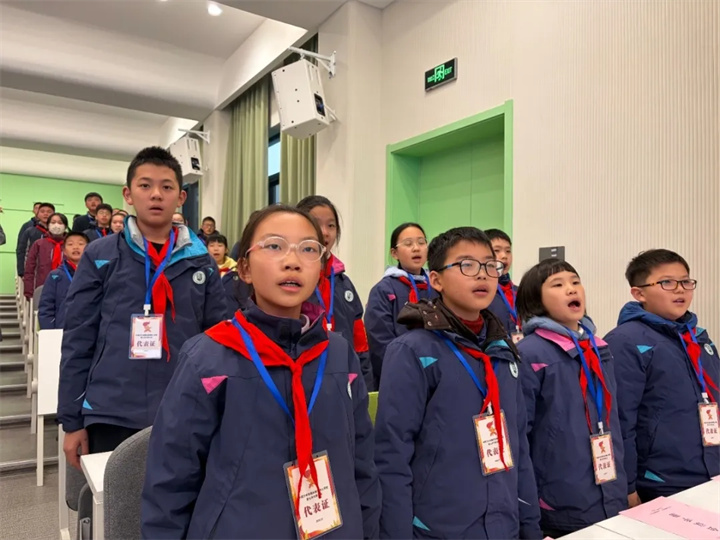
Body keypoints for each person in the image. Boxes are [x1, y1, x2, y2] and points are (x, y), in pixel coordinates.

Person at [141, 204, 381, 539]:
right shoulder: (208, 357)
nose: (292, 261)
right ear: (245, 269)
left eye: (308, 249)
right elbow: (171, 478)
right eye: (274, 246)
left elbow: (362, 463)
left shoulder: (339, 354)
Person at [58, 146, 228, 468]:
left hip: (184, 407)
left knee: (181, 497)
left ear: (181, 197)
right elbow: (78, 338)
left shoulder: (201, 261)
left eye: (167, 187)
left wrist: (218, 405)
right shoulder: (100, 255)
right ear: (128, 194)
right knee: (114, 499)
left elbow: (217, 340)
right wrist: (72, 419)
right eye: (145, 185)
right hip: (112, 409)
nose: (156, 194)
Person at [374, 226, 541, 539]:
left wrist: (530, 526)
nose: (482, 274)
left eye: (489, 265)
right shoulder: (413, 351)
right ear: (436, 280)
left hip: (503, 525)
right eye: (467, 265)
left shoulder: (503, 351)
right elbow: (392, 455)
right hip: (439, 529)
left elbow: (519, 445)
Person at [515, 259, 627, 536]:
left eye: (575, 282)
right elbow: (519, 435)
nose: (571, 289)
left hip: (610, 489)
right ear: (536, 299)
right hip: (559, 499)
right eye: (558, 284)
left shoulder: (599, 348)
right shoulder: (529, 353)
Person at [604, 249, 719, 505]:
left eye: (686, 281)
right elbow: (621, 421)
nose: (680, 290)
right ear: (639, 293)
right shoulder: (625, 341)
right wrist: (627, 486)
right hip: (660, 481)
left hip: (709, 473)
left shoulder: (700, 339)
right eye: (667, 282)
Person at [296, 196, 374, 390]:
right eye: (316, 223)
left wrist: (365, 384)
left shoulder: (344, 284)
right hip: (301, 380)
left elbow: (359, 343)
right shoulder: (291, 280)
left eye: (331, 226)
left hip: (343, 379)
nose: (325, 232)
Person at [365, 222, 435, 389]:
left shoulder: (437, 286)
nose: (416, 248)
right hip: (399, 375)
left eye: (421, 242)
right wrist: (401, 372)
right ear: (394, 253)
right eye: (408, 244)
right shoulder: (383, 289)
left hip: (435, 372)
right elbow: (379, 342)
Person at [38, 232, 89, 329]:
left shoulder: (95, 274)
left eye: (81, 244)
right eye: (70, 244)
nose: (76, 247)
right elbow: (46, 307)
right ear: (64, 251)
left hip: (88, 329)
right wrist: (49, 331)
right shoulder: (55, 276)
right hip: (62, 329)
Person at [485, 228, 521, 341]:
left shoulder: (520, 292)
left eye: (508, 251)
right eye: (497, 250)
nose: (504, 256)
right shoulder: (481, 292)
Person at [23, 212, 68, 298]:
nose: (56, 225)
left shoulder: (70, 245)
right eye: (53, 222)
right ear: (48, 225)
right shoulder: (39, 244)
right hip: (42, 287)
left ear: (65, 226)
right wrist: (29, 291)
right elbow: (30, 268)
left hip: (66, 288)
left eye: (60, 222)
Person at [207, 232, 249, 314]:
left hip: (232, 317)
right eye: (212, 246)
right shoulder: (202, 271)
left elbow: (244, 300)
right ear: (206, 249)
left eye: (220, 245)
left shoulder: (237, 270)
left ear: (226, 250)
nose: (216, 249)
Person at [16, 202, 55, 276]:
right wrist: (22, 271)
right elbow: (21, 251)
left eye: (49, 212)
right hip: (34, 271)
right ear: (37, 214)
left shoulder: (58, 233)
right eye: (42, 211)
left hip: (54, 270)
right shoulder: (30, 231)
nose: (46, 214)